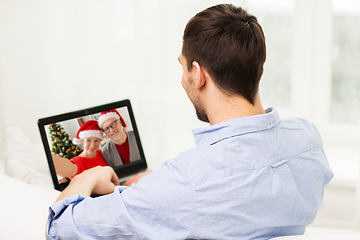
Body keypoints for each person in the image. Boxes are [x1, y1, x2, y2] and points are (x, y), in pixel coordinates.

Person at [46, 4, 333, 239]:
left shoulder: (188, 181)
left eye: (183, 67)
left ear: (198, 74)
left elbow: (58, 228)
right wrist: (159, 188)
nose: (184, 78)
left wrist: (87, 178)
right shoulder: (308, 140)